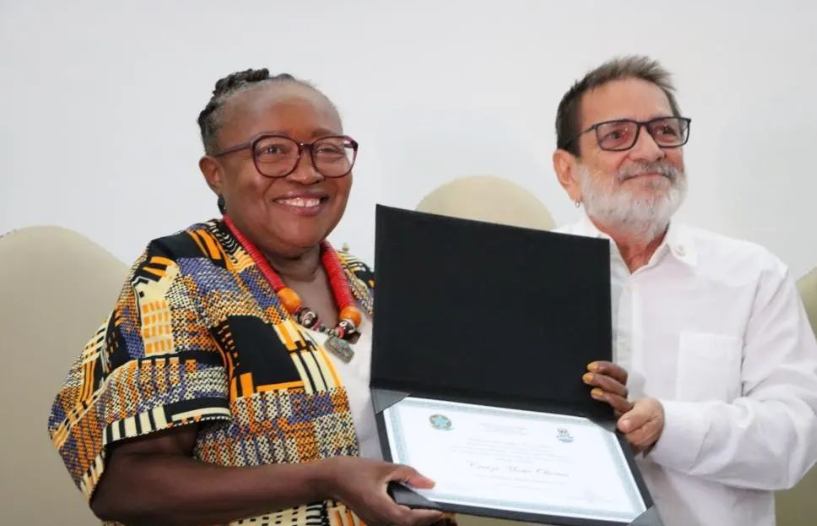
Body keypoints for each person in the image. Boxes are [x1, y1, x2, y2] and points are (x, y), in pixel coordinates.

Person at [47, 68, 446, 526]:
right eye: (273, 151)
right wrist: (325, 479)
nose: (308, 171)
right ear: (215, 172)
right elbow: (127, 486)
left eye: (328, 150)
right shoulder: (182, 276)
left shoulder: (369, 285)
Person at [551, 55, 817, 526]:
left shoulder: (752, 276)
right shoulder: (526, 275)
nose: (651, 150)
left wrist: (668, 428)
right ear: (568, 171)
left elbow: (796, 437)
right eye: (617, 135)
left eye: (665, 130)